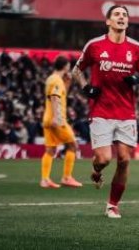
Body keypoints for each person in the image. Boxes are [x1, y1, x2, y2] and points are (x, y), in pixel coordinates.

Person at [73, 5, 139, 218]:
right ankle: (97, 170)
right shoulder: (95, 45)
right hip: (100, 110)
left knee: (125, 159)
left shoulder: (136, 48)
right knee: (103, 159)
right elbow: (76, 71)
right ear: (108, 21)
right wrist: (85, 87)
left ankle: (112, 205)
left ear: (127, 22)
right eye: (117, 14)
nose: (121, 17)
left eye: (124, 15)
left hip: (126, 112)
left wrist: (138, 78)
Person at [40, 55, 83, 188]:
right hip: (57, 120)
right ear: (65, 66)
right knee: (73, 146)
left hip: (47, 118)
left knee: (50, 149)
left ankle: (45, 179)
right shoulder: (57, 80)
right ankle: (67, 177)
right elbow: (54, 97)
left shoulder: (51, 79)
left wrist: (68, 83)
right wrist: (57, 117)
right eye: (68, 65)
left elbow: (60, 94)